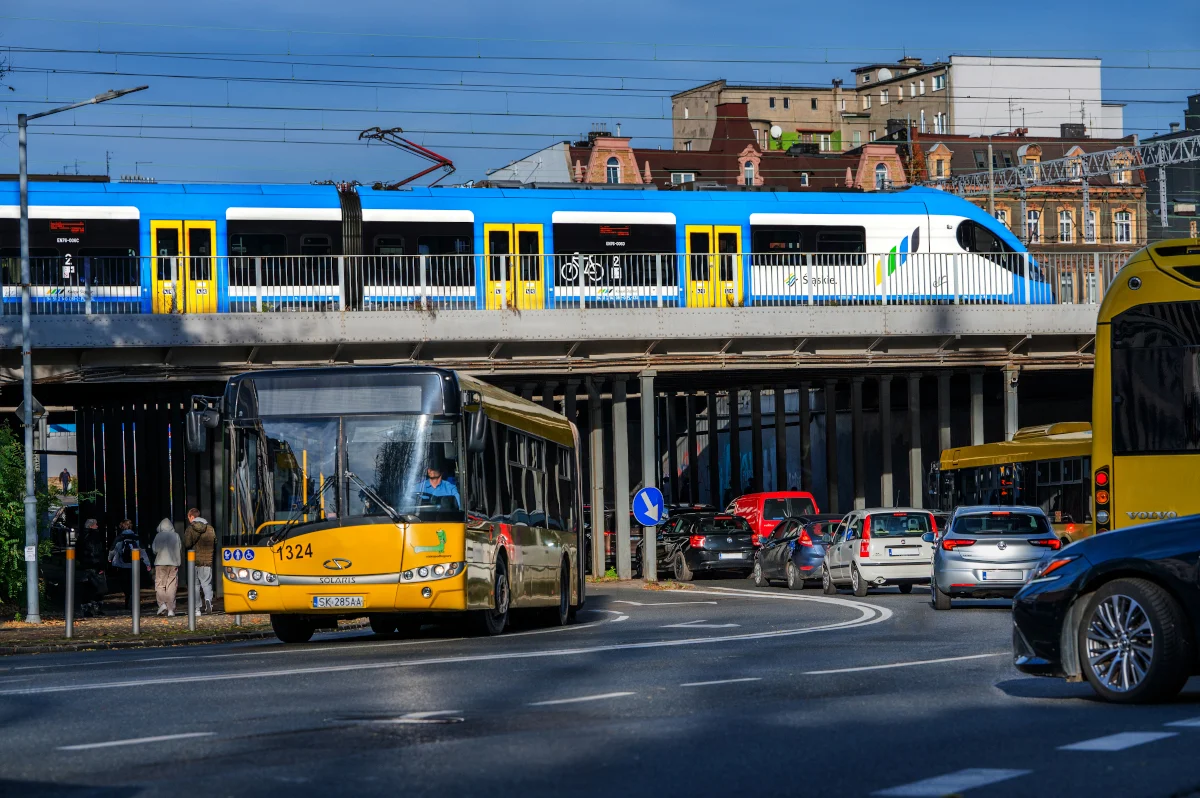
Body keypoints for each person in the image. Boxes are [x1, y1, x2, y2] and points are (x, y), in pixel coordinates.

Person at [109, 520, 150, 610]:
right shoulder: (136, 537)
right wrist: (147, 563)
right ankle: (132, 598)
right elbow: (142, 551)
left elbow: (113, 549)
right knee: (134, 582)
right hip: (134, 564)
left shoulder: (119, 537)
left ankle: (128, 596)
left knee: (124, 582)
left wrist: (109, 558)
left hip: (121, 564)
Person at [182, 508, 216, 615]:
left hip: (194, 561)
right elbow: (215, 541)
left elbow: (187, 544)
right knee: (206, 584)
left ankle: (197, 609)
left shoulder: (190, 529)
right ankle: (208, 601)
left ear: (192, 517)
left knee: (195, 585)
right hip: (207, 561)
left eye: (188, 517)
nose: (188, 519)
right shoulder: (210, 528)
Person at [151, 517, 181, 617]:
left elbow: (154, 550)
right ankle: (171, 610)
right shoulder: (176, 535)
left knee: (160, 585)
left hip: (160, 563)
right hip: (173, 563)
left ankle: (162, 604)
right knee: (171, 586)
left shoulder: (158, 535)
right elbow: (180, 548)